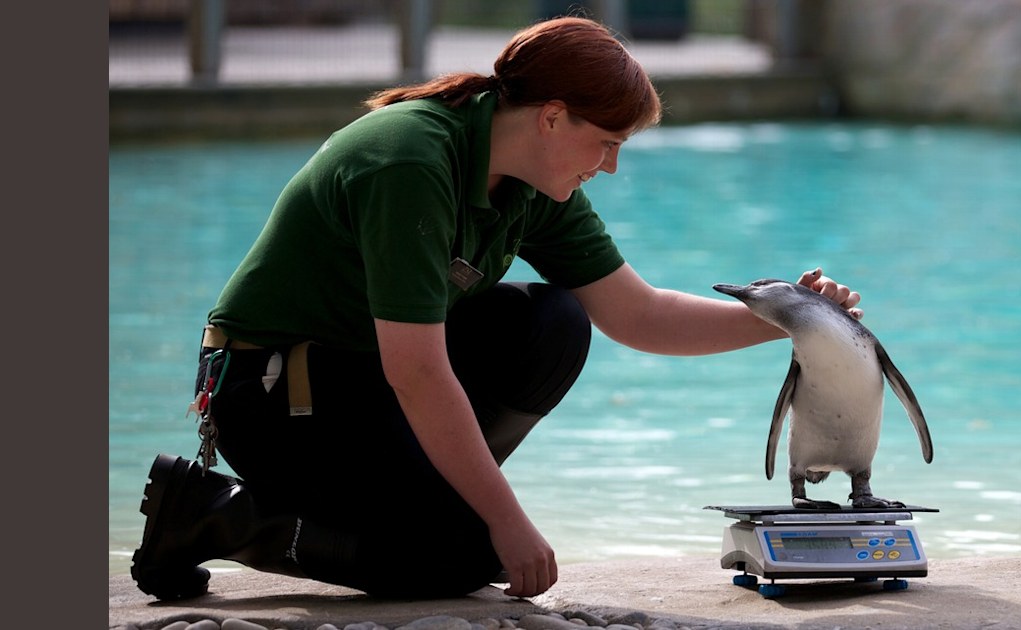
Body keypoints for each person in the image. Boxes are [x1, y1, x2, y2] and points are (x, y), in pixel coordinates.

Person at [130, 15, 863, 602]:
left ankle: (433, 505)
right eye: (606, 143)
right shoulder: (410, 160)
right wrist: (505, 520)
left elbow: (639, 316)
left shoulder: (537, 182)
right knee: (467, 555)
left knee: (553, 322)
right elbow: (417, 371)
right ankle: (214, 514)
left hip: (363, 387)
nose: (610, 165)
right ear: (551, 117)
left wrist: (793, 319)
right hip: (275, 400)